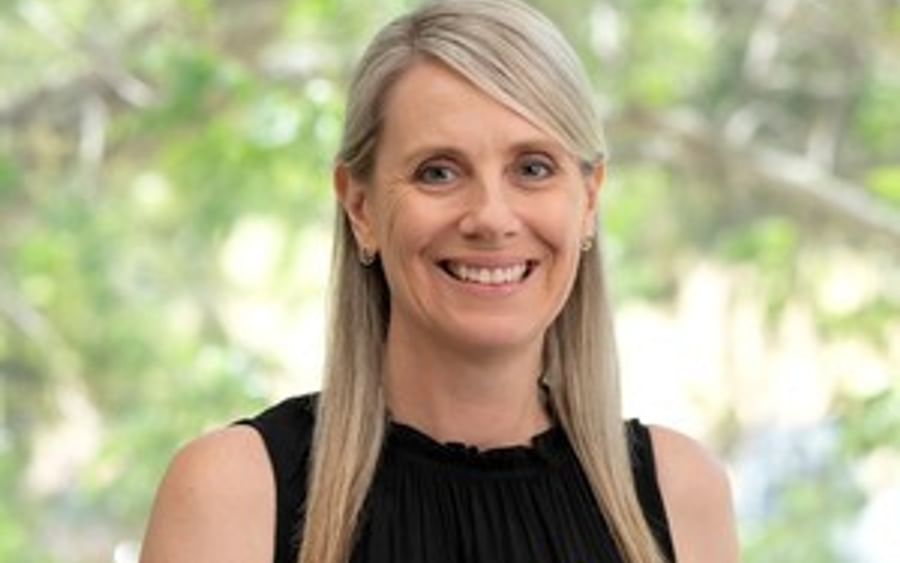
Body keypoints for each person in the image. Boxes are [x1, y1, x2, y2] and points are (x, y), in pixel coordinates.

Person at [139, 1, 739, 562]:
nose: (492, 218)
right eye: (439, 172)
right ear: (361, 208)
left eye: (532, 168)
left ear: (588, 199)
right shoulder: (231, 496)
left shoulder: (682, 495)